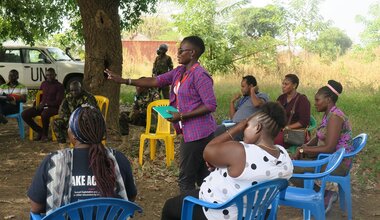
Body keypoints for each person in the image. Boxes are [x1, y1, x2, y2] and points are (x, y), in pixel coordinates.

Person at [106, 36, 217, 193]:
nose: (177, 53)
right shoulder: (180, 72)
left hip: (199, 133)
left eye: (181, 50)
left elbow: (210, 105)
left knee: (187, 179)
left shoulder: (200, 75)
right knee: (202, 176)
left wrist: (182, 115)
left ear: (192, 53)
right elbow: (155, 81)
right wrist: (125, 80)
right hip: (189, 131)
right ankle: (204, 209)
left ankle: (188, 212)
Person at [161, 102, 294, 220]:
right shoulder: (284, 157)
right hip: (256, 213)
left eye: (246, 125)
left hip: (220, 213)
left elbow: (208, 150)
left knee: (169, 207)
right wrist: (222, 167)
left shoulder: (242, 151)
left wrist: (236, 128)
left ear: (258, 128)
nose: (243, 129)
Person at [28, 105, 137, 215]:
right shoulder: (118, 159)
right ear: (102, 132)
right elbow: (129, 199)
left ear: (72, 134)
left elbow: (36, 207)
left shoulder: (53, 161)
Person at [292, 80, 352, 213]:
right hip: (329, 159)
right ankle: (319, 194)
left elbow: (329, 148)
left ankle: (323, 194)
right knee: (292, 163)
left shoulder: (335, 117)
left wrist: (304, 150)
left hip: (338, 163)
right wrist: (305, 146)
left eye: (318, 100)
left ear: (328, 99)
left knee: (290, 168)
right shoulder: (328, 114)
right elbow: (319, 136)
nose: (315, 103)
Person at [214, 75, 269, 140]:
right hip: (234, 125)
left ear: (251, 86)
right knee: (213, 131)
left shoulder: (261, 95)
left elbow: (257, 104)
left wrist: (252, 91)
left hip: (246, 126)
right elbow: (233, 117)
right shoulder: (242, 99)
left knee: (217, 134)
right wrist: (232, 102)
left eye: (243, 86)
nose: (241, 89)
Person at [22, 68, 64, 141]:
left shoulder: (59, 86)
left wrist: (46, 104)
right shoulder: (44, 83)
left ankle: (45, 135)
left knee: (45, 113)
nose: (49, 77)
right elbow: (39, 96)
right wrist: (35, 105)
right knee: (25, 114)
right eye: (47, 75)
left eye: (51, 75)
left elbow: (59, 101)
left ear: (55, 75)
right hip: (42, 106)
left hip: (54, 108)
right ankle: (40, 131)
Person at [274, 73, 311, 147]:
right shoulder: (281, 98)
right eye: (283, 84)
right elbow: (274, 113)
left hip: (294, 133)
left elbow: (304, 122)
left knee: (275, 140)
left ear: (294, 85)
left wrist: (287, 127)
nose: (283, 86)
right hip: (282, 130)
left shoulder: (302, 100)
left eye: (286, 84)